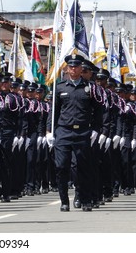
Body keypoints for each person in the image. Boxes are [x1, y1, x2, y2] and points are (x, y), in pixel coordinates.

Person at [46, 54, 104, 212]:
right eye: (71, 66)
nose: (73, 69)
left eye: (76, 66)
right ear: (67, 69)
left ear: (81, 68)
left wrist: (96, 130)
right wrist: (49, 131)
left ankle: (84, 199)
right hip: (63, 131)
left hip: (83, 132)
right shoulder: (60, 87)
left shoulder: (90, 88)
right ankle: (64, 201)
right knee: (61, 166)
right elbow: (53, 112)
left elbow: (98, 111)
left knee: (83, 167)